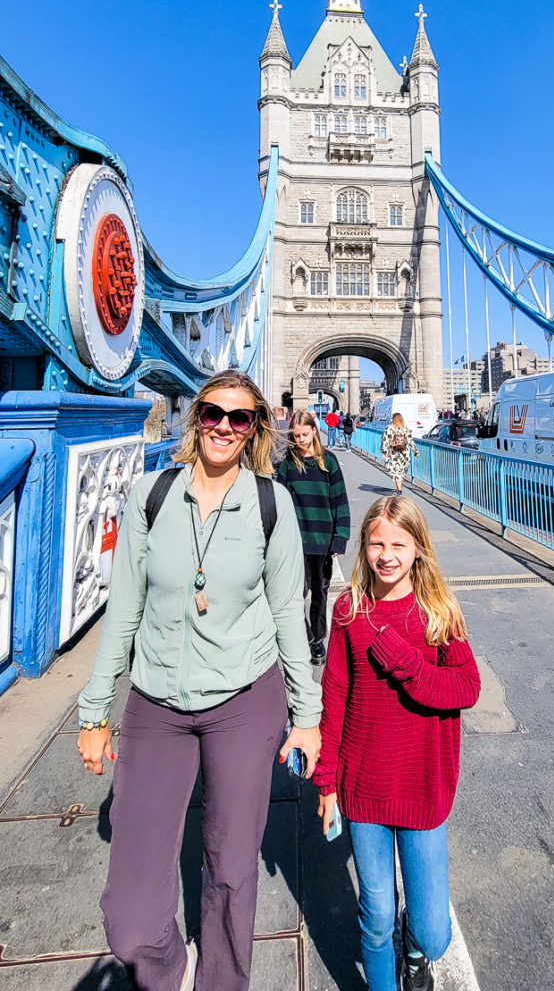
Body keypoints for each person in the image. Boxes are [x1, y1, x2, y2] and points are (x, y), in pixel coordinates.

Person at [76, 370, 322, 991]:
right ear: (195, 418)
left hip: (245, 699)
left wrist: (308, 717)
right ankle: (166, 967)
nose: (223, 427)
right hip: (157, 701)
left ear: (255, 430)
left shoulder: (273, 504)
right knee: (128, 916)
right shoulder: (150, 495)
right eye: (212, 412)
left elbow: (289, 613)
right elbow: (123, 607)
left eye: (240, 419)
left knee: (232, 872)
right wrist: (95, 711)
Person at [314, 496, 480, 991]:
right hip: (364, 789)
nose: (386, 555)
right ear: (364, 547)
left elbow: (466, 687)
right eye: (376, 544)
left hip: (423, 790)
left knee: (431, 933)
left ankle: (415, 956)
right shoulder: (348, 612)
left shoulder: (437, 612)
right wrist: (326, 785)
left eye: (398, 544)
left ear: (418, 548)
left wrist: (404, 662)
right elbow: (335, 699)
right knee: (376, 915)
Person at [276, 410, 350, 666]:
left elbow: (340, 501)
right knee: (296, 594)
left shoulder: (328, 462)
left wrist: (340, 538)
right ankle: (304, 636)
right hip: (296, 541)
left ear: (314, 431)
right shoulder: (286, 463)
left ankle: (317, 642)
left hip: (322, 540)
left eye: (304, 434)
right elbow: (280, 502)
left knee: (319, 593)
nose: (300, 440)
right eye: (296, 436)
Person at [381, 412, 419, 495]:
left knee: (395, 471)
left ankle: (399, 489)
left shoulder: (389, 428)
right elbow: (410, 440)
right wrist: (416, 451)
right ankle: (399, 487)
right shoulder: (405, 428)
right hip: (405, 453)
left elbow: (385, 440)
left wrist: (384, 451)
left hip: (393, 452)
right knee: (401, 471)